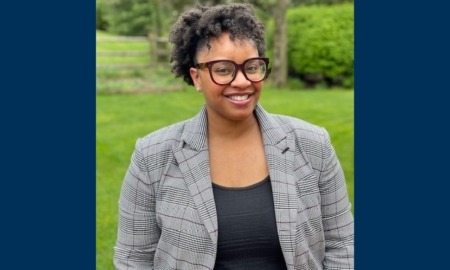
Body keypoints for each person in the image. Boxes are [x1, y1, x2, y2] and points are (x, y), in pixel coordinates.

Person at [113, 3, 354, 270]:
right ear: (196, 77)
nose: (241, 81)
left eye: (252, 66)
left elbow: (342, 245)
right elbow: (133, 259)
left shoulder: (313, 145)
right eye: (224, 69)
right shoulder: (151, 157)